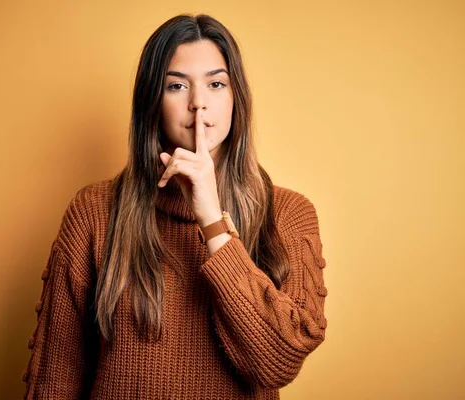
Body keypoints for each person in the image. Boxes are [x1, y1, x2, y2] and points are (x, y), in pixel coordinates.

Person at [22, 13, 328, 400]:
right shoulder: (95, 211)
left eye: (216, 84)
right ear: (153, 100)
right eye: (177, 86)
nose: (198, 104)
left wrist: (212, 221)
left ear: (237, 98)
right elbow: (57, 375)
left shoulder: (287, 212)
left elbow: (278, 361)